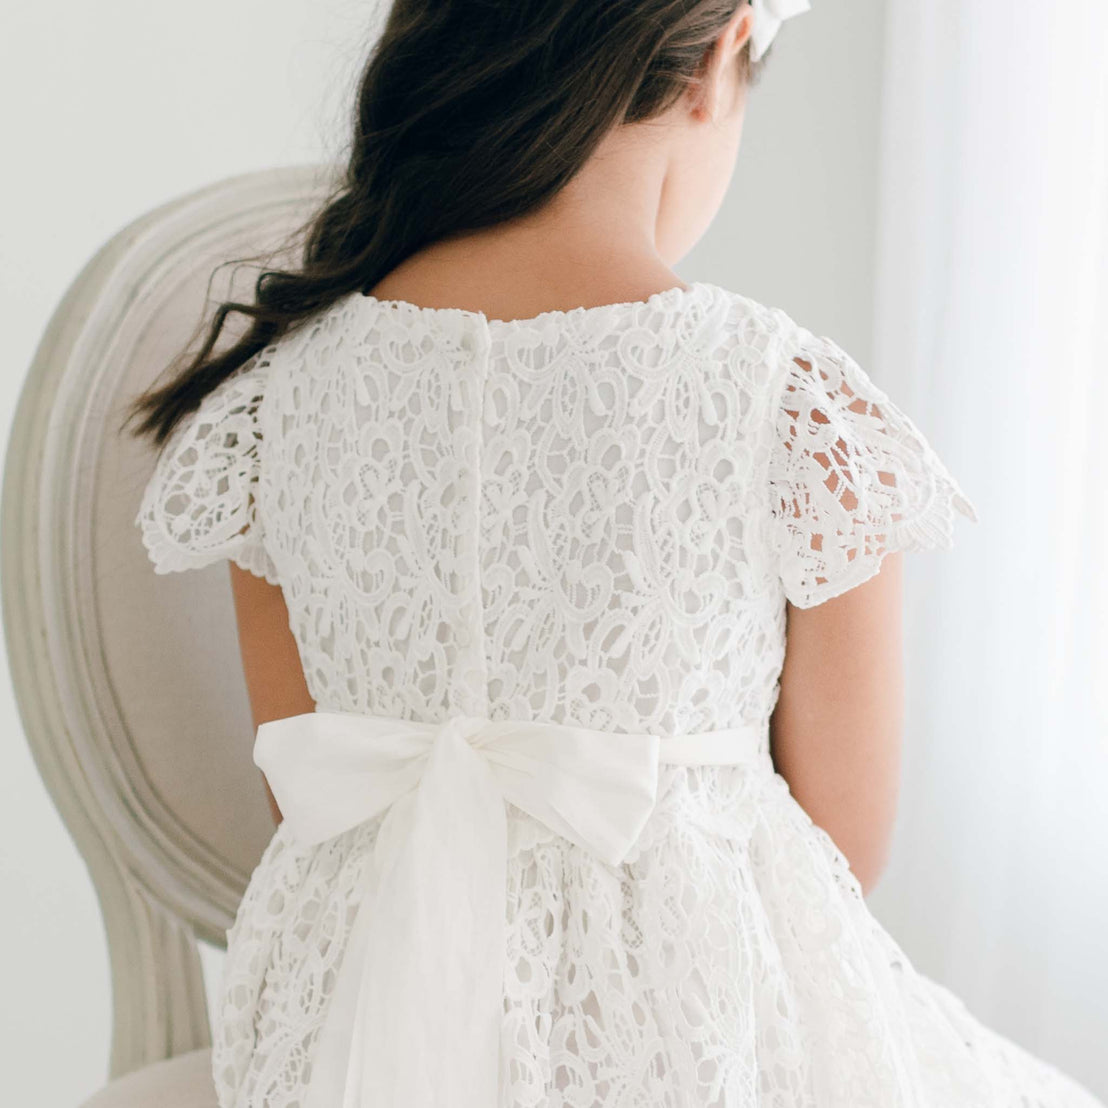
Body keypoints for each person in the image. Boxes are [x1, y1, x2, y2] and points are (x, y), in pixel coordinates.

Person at [123, 1, 1105, 1105]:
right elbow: (842, 852)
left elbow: (310, 799)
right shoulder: (790, 406)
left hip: (345, 1040)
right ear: (719, 56)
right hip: (687, 1052)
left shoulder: (270, 413)